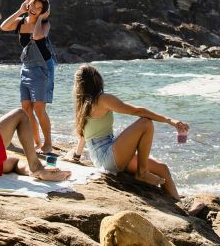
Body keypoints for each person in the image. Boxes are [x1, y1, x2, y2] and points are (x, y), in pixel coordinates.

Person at [73, 64, 188, 198]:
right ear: (98, 80)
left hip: (105, 156)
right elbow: (137, 111)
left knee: (162, 169)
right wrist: (170, 120)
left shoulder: (84, 103)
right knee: (145, 123)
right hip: (108, 156)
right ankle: (142, 173)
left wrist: (77, 156)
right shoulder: (102, 99)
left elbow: (84, 134)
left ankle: (178, 205)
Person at [0, 0, 56, 154]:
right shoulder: (20, 22)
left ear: (43, 12)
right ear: (28, 4)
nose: (35, 9)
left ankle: (48, 144)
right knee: (25, 107)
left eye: (39, 9)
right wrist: (19, 11)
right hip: (26, 67)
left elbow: (38, 35)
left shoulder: (45, 24)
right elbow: (3, 26)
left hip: (43, 67)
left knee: (39, 108)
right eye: (33, 5)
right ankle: (37, 142)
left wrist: (40, 18)